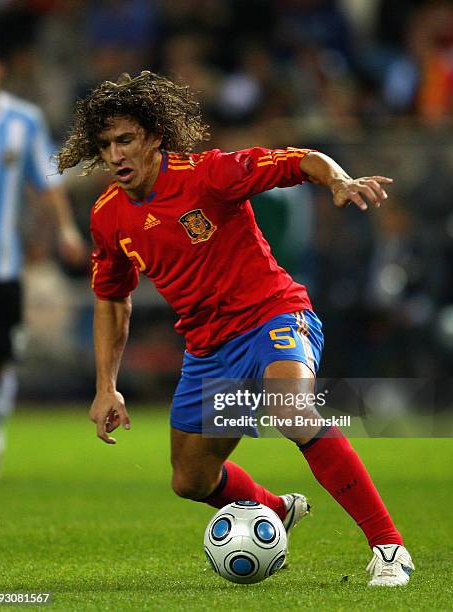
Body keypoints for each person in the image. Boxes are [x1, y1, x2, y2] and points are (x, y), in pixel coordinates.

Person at [57, 71, 414, 587]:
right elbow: (112, 298)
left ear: (155, 136)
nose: (115, 155)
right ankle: (274, 509)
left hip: (274, 316)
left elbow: (298, 160)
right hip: (208, 353)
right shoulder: (108, 216)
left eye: (126, 140)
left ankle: (389, 548)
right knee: (190, 480)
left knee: (290, 407)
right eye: (106, 144)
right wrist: (106, 386)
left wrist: (338, 180)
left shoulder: (210, 174)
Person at [0, 42, 85, 479]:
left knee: (0, 355)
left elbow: (45, 184)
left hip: (1, 265)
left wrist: (65, 229)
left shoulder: (22, 120)